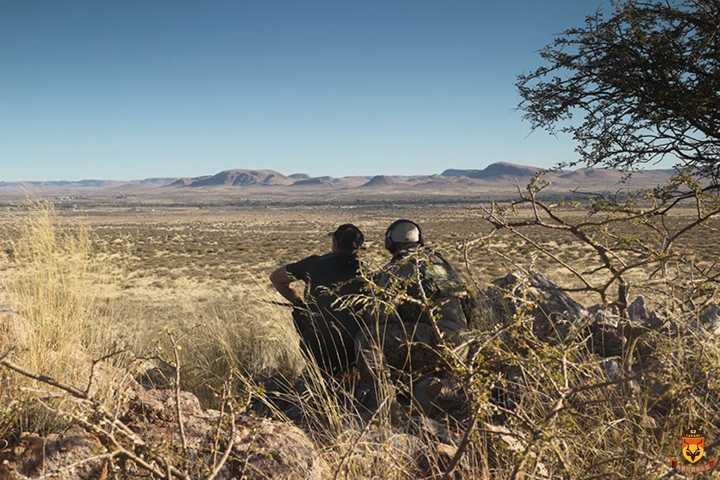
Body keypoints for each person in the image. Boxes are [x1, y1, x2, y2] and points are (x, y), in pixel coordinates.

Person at [356, 219, 477, 414]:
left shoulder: (398, 266)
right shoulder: (443, 264)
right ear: (420, 239)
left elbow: (376, 311)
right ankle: (425, 389)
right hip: (464, 342)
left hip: (437, 338)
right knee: (408, 337)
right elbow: (471, 305)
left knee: (369, 338)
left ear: (390, 243)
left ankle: (384, 406)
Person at [270, 223, 367, 378]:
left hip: (316, 350)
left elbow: (276, 278)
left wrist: (298, 304)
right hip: (354, 352)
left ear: (335, 244)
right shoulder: (366, 272)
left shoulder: (314, 264)